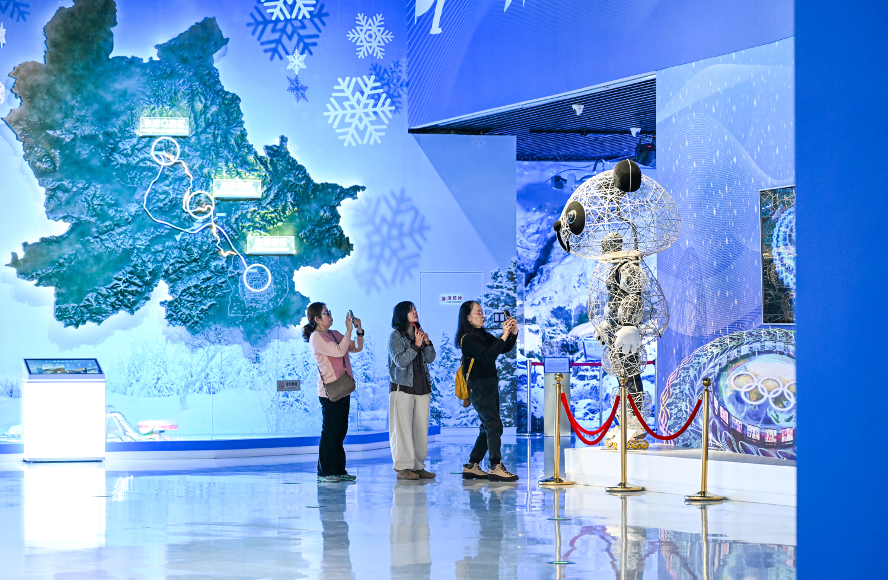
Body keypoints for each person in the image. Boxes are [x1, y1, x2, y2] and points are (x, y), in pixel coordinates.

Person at [455, 300, 518, 482]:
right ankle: (495, 465)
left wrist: (512, 334)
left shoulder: (481, 333)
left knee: (487, 427)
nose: (482, 315)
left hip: (489, 383)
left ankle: (472, 465)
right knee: (494, 424)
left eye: (482, 312)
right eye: (478, 312)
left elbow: (502, 348)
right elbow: (488, 355)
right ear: (468, 318)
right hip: (479, 385)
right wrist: (504, 335)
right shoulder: (467, 338)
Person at [304, 302, 364, 483]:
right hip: (330, 392)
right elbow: (339, 351)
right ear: (316, 319)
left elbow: (356, 347)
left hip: (343, 388)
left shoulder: (334, 333)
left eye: (329, 312)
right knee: (330, 432)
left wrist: (358, 331)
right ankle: (325, 473)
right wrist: (348, 331)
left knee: (340, 431)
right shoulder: (316, 337)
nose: (330, 315)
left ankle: (338, 470)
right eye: (326, 313)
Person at [387, 301, 437, 480]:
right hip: (402, 388)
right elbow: (400, 361)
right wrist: (416, 345)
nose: (415, 312)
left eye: (415, 309)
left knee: (420, 430)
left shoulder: (418, 332)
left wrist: (427, 343)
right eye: (410, 310)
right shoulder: (395, 336)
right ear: (402, 314)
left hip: (422, 387)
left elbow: (430, 358)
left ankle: (418, 466)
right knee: (402, 430)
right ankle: (403, 468)